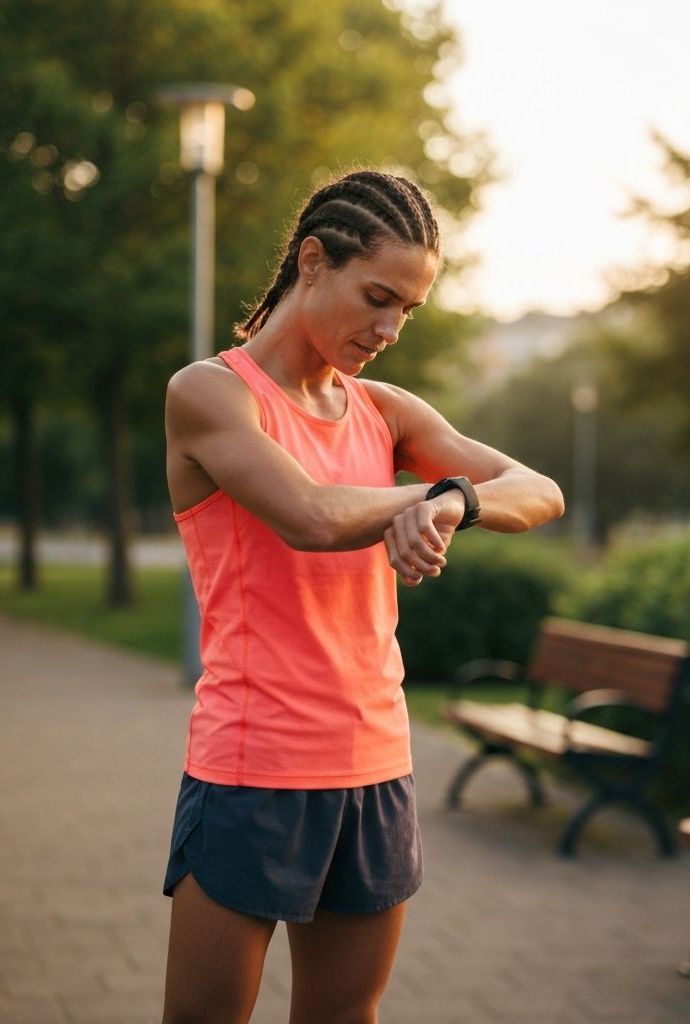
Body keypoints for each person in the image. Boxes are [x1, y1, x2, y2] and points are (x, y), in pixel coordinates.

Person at [160, 168, 564, 1024]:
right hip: (253, 764)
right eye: (377, 297)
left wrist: (453, 498)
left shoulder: (384, 410)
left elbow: (541, 490)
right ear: (313, 261)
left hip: (376, 764)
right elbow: (310, 513)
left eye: (407, 311)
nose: (388, 329)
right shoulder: (210, 394)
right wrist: (428, 495)